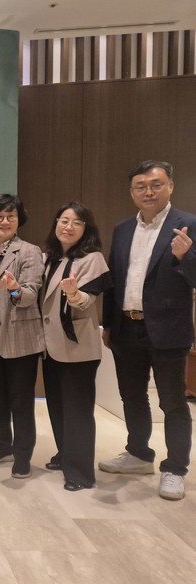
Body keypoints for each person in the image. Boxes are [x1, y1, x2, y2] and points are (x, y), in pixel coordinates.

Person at [100, 160, 196, 500]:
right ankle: (139, 454)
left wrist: (186, 258)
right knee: (132, 396)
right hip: (126, 327)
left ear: (170, 187)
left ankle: (175, 468)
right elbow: (114, 279)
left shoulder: (189, 224)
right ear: (132, 192)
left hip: (168, 329)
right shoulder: (123, 228)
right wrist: (108, 323)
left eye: (156, 184)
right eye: (140, 186)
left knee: (172, 402)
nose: (148, 191)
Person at [0, 194, 44, 479]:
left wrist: (14, 288)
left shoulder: (29, 251)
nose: (5, 221)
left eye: (11, 216)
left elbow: (30, 295)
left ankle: (23, 455)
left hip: (20, 335)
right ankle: (2, 446)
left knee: (21, 400)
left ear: (18, 220)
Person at [40, 202, 111, 491]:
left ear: (86, 229)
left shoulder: (92, 258)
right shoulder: (49, 256)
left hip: (77, 346)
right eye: (64, 220)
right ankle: (65, 454)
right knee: (57, 405)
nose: (68, 227)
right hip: (50, 344)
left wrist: (73, 293)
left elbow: (86, 301)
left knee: (78, 410)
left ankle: (80, 472)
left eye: (77, 223)